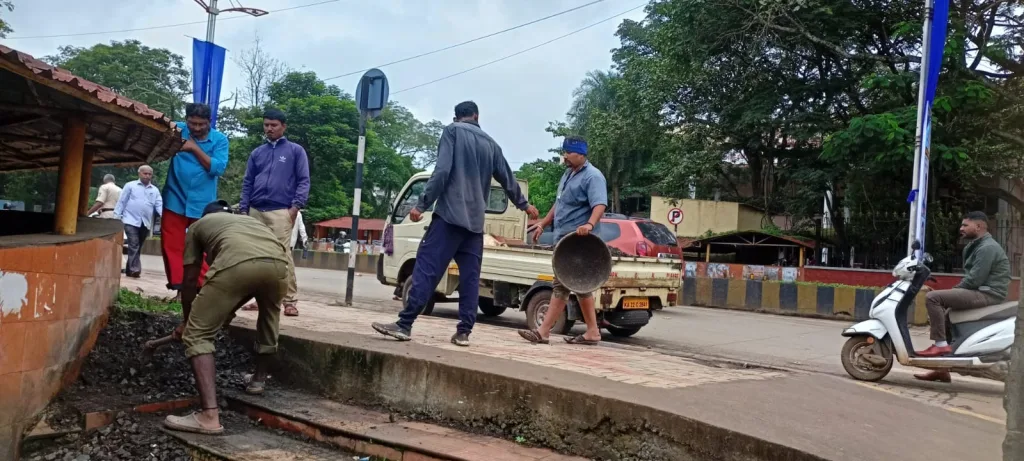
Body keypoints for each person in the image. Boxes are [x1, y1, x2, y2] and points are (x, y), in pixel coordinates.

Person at [372, 101, 539, 347]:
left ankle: (404, 324)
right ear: (476, 116)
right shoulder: (492, 145)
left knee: (426, 270)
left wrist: (421, 205)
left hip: (449, 219)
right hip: (474, 226)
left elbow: (441, 172)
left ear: (456, 117)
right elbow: (507, 178)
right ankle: (463, 333)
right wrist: (524, 205)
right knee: (470, 279)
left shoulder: (452, 131)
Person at [163, 200, 292, 435]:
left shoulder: (198, 226)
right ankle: (258, 381)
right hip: (279, 267)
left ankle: (209, 416)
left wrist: (189, 321)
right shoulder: (249, 222)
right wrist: (223, 312)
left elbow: (190, 280)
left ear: (205, 215)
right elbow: (246, 286)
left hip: (237, 264)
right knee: (269, 317)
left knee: (198, 335)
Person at [518, 135, 608, 346]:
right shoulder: (568, 174)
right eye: (564, 152)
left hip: (579, 242)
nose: (565, 156)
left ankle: (543, 331)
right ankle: (592, 331)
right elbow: (559, 205)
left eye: (568, 152)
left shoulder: (593, 177)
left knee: (562, 284)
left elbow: (600, 205)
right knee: (578, 286)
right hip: (564, 240)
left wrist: (589, 225)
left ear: (581, 154)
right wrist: (543, 224)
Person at [914, 211, 1011, 382]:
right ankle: (942, 369)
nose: (961, 228)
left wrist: (952, 292)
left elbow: (974, 279)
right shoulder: (975, 246)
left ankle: (940, 346)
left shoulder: (987, 248)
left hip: (988, 293)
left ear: (979, 226)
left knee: (933, 298)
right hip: (980, 290)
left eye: (965, 225)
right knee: (946, 314)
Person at [238, 109, 310, 317]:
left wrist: (295, 207)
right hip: (255, 209)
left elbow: (304, 180)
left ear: (283, 126)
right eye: (266, 125)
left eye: (274, 125)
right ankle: (261, 299)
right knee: (256, 256)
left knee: (281, 255)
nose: (269, 129)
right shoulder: (257, 153)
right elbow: (248, 182)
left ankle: (289, 301)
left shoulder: (295, 151)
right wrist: (244, 208)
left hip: (281, 210)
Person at [161, 103, 230, 291]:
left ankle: (202, 288)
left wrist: (193, 148)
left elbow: (217, 168)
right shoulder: (177, 130)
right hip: (175, 197)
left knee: (202, 248)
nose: (197, 128)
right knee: (172, 245)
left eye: (201, 124)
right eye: (192, 123)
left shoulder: (220, 140)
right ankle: (180, 287)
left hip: (203, 203)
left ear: (210, 122)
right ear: (186, 121)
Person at [114, 165, 162, 278]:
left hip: (145, 222)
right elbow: (122, 201)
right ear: (139, 173)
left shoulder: (154, 190)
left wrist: (163, 216)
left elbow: (159, 204)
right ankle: (135, 269)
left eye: (149, 174)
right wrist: (117, 216)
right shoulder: (130, 186)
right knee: (134, 244)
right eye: (145, 173)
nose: (147, 176)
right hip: (130, 220)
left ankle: (129, 270)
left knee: (137, 246)